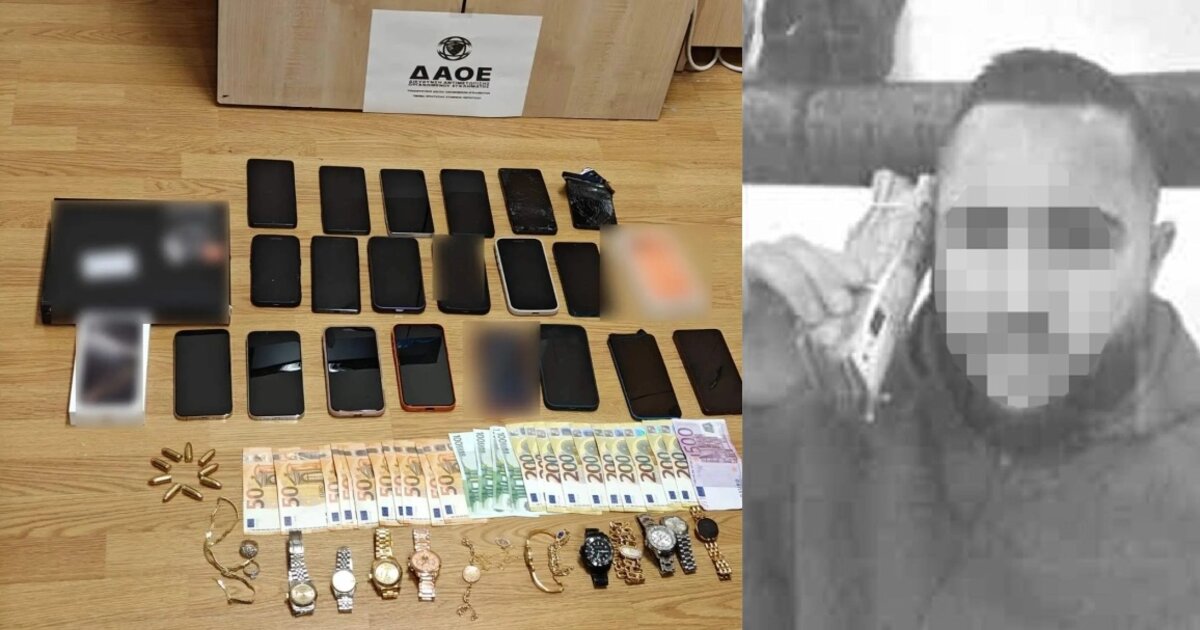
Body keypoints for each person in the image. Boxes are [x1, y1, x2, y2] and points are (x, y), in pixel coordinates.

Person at [744, 49, 1200, 629]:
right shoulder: (811, 422)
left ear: (1154, 258)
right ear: (930, 239)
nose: (1020, 296)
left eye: (1079, 240)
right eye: (980, 233)